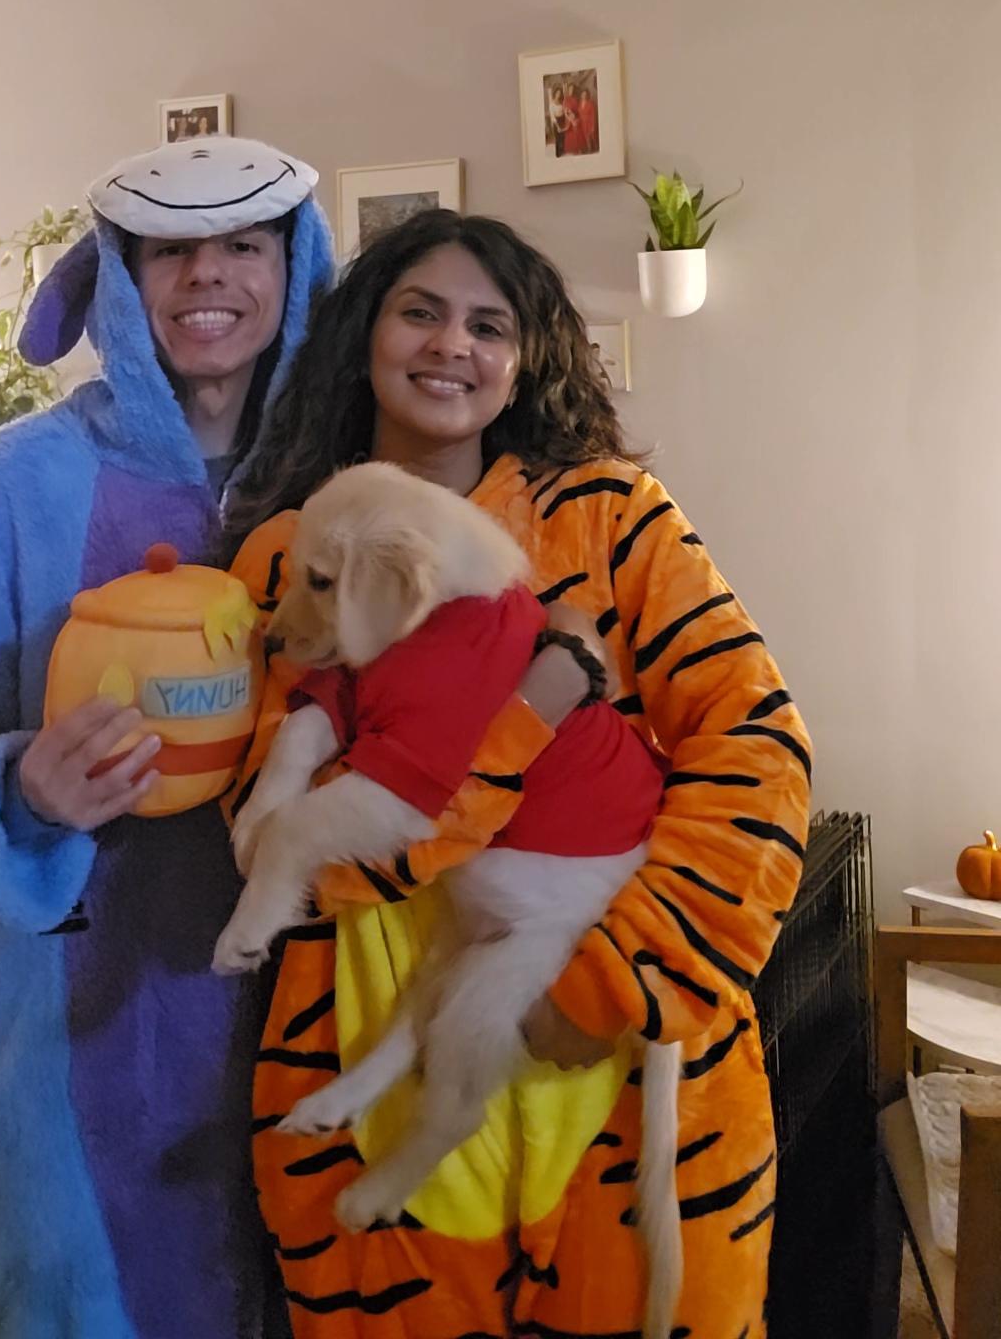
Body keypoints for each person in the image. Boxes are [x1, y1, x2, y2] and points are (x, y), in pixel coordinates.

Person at [226, 208, 812, 1339]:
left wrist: (610, 983)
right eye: (421, 312)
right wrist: (537, 705)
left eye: (488, 325)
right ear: (363, 336)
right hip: (370, 1084)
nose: (453, 345)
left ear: (522, 362)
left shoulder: (610, 519)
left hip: (633, 1088)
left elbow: (758, 746)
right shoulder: (288, 555)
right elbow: (296, 848)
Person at [0, 135, 336, 1339]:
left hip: (321, 1042)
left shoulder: (351, 483)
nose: (208, 276)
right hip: (72, 1067)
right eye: (171, 249)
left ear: (299, 265)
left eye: (245, 244)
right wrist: (17, 796)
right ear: (119, 272)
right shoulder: (10, 488)